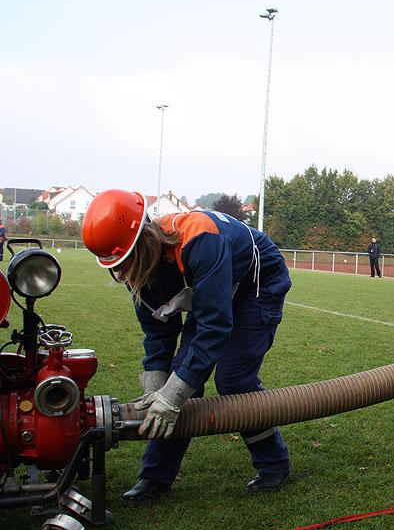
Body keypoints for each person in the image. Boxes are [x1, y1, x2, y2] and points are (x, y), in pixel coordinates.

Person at [81, 190, 293, 503]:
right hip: (213, 287)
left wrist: (172, 396)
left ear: (145, 240)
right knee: (179, 382)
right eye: (118, 265)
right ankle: (155, 476)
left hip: (256, 282)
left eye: (126, 261)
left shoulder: (199, 238)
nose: (123, 274)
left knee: (234, 380)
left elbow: (215, 326)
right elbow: (158, 331)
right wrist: (157, 390)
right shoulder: (135, 265)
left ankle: (273, 463)